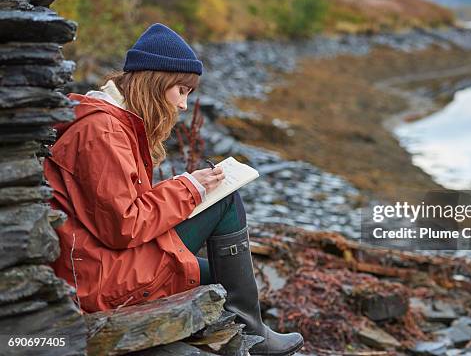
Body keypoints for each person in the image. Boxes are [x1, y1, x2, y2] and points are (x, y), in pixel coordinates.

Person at [43, 23, 304, 355]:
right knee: (224, 205)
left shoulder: (112, 121)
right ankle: (252, 336)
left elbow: (116, 206)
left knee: (216, 274)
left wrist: (184, 187)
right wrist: (189, 188)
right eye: (181, 91)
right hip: (98, 278)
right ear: (156, 83)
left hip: (102, 261)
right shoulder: (102, 131)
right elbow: (123, 226)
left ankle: (245, 334)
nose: (183, 105)